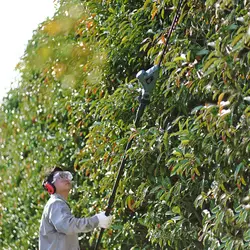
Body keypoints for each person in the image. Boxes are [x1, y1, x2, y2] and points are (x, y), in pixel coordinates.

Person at [39, 167, 112, 250]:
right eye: (60, 176)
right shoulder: (55, 203)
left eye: (66, 176)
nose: (66, 179)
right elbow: (68, 226)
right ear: (50, 186)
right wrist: (96, 220)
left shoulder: (58, 204)